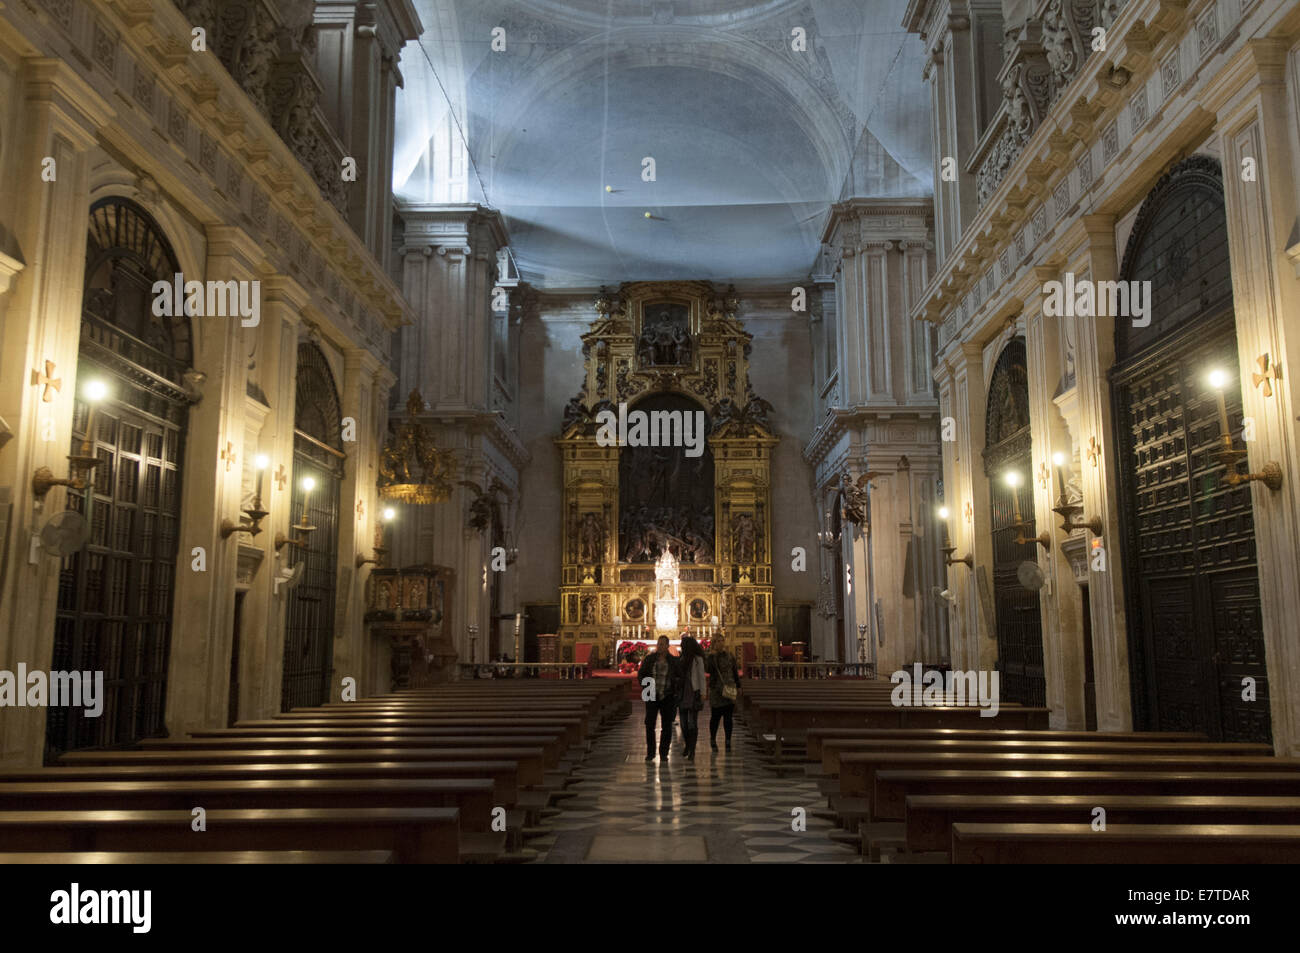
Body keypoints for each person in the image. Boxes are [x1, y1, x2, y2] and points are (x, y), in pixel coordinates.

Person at [638, 636, 683, 762]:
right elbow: (641, 673)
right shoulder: (650, 659)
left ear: (667, 646)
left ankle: (664, 753)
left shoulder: (673, 661)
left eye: (662, 644)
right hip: (651, 694)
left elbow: (680, 676)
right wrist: (645, 686)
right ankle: (650, 752)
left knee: (667, 725)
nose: (660, 646)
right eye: (659, 644)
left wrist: (675, 688)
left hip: (667, 695)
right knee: (649, 724)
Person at [705, 635, 741, 752]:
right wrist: (712, 656)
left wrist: (738, 685)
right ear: (713, 643)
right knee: (715, 717)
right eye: (718, 641)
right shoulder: (711, 657)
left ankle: (728, 740)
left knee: (728, 717)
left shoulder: (730, 656)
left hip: (729, 687)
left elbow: (734, 671)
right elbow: (708, 669)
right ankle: (713, 739)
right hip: (716, 689)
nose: (721, 643)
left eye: (722, 641)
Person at [677, 635, 707, 760]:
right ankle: (688, 745)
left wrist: (703, 693)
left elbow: (701, 676)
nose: (681, 647)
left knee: (692, 723)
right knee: (683, 724)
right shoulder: (681, 658)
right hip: (683, 692)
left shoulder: (697, 659)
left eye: (683, 645)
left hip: (693, 691)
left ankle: (692, 750)